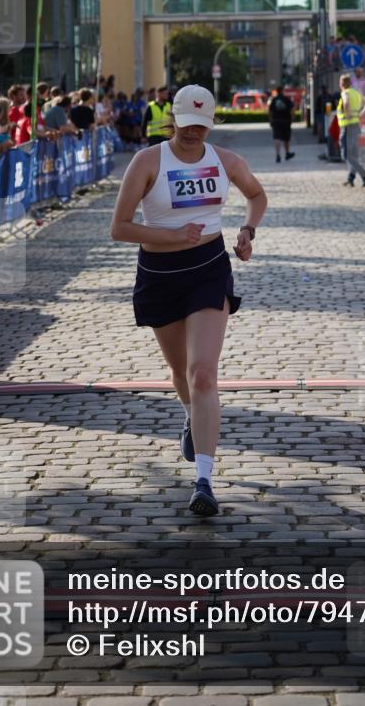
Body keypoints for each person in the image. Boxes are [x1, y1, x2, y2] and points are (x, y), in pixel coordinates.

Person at [110, 84, 267, 517]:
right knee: (179, 372)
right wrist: (171, 235)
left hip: (208, 269)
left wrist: (247, 231)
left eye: (203, 124)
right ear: (173, 119)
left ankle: (203, 481)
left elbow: (257, 195)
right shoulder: (147, 162)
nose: (195, 132)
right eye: (188, 123)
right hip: (159, 275)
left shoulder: (226, 161)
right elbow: (119, 228)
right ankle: (188, 417)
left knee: (202, 374)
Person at [336, 73, 365, 187]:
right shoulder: (356, 93)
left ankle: (364, 174)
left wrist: (348, 114)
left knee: (346, 155)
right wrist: (360, 115)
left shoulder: (345, 92)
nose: (340, 84)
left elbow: (346, 104)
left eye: (340, 82)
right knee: (353, 155)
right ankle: (350, 178)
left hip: (347, 127)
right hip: (356, 126)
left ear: (343, 84)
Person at [267, 85, 295, 163]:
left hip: (276, 121)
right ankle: (287, 153)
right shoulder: (286, 99)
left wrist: (270, 121)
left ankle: (277, 154)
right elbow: (292, 109)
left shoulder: (274, 100)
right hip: (286, 121)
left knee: (277, 138)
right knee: (286, 138)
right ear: (282, 91)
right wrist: (292, 119)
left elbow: (270, 111)